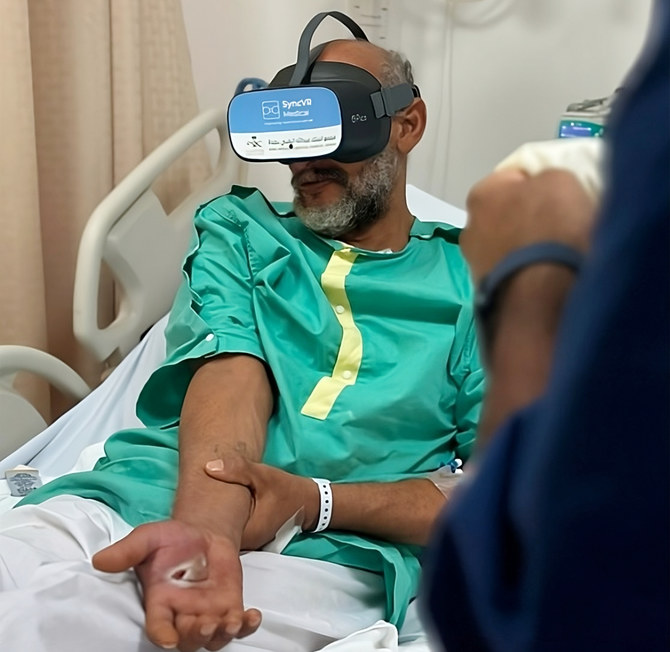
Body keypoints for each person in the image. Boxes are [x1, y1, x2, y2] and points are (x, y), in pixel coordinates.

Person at [0, 20, 484, 652]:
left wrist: (315, 501)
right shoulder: (242, 231)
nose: (302, 163)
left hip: (329, 552)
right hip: (145, 492)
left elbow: (501, 492)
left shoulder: (479, 281)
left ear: (407, 124)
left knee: (64, 623)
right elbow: (232, 371)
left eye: (330, 129)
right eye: (290, 137)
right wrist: (203, 536)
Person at [422, 2, 669, 650]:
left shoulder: (453, 256)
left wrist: (535, 274)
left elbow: (540, 589)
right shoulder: (242, 232)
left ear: (407, 124)